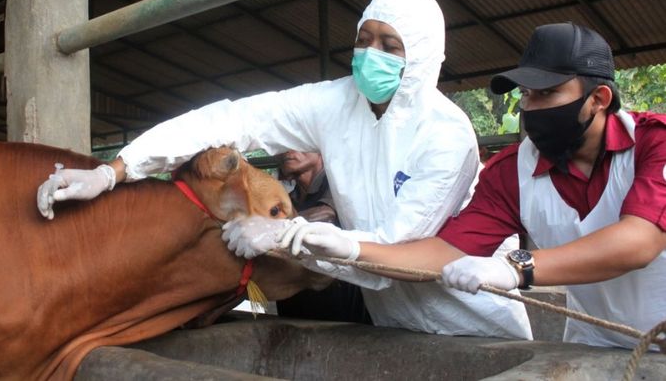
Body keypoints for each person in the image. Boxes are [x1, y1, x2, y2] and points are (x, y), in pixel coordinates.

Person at [37, 0, 531, 339]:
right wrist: (116, 170)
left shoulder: (447, 135)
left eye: (389, 45)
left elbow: (393, 254)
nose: (369, 54)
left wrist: (287, 238)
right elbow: (235, 117)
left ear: (421, 56)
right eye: (364, 39)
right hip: (393, 329)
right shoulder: (338, 103)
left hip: (474, 324)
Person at [262, 22, 666, 349]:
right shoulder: (512, 171)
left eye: (547, 94)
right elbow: (444, 252)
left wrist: (516, 268)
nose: (530, 109)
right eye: (526, 95)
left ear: (598, 98)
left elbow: (638, 242)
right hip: (591, 343)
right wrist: (351, 248)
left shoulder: (654, 144)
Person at [275, 151, 371, 324]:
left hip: (345, 315)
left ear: (320, 147)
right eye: (282, 145)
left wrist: (267, 228)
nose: (288, 150)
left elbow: (325, 215)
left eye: (297, 141)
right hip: (295, 315)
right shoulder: (286, 199)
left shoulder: (340, 185)